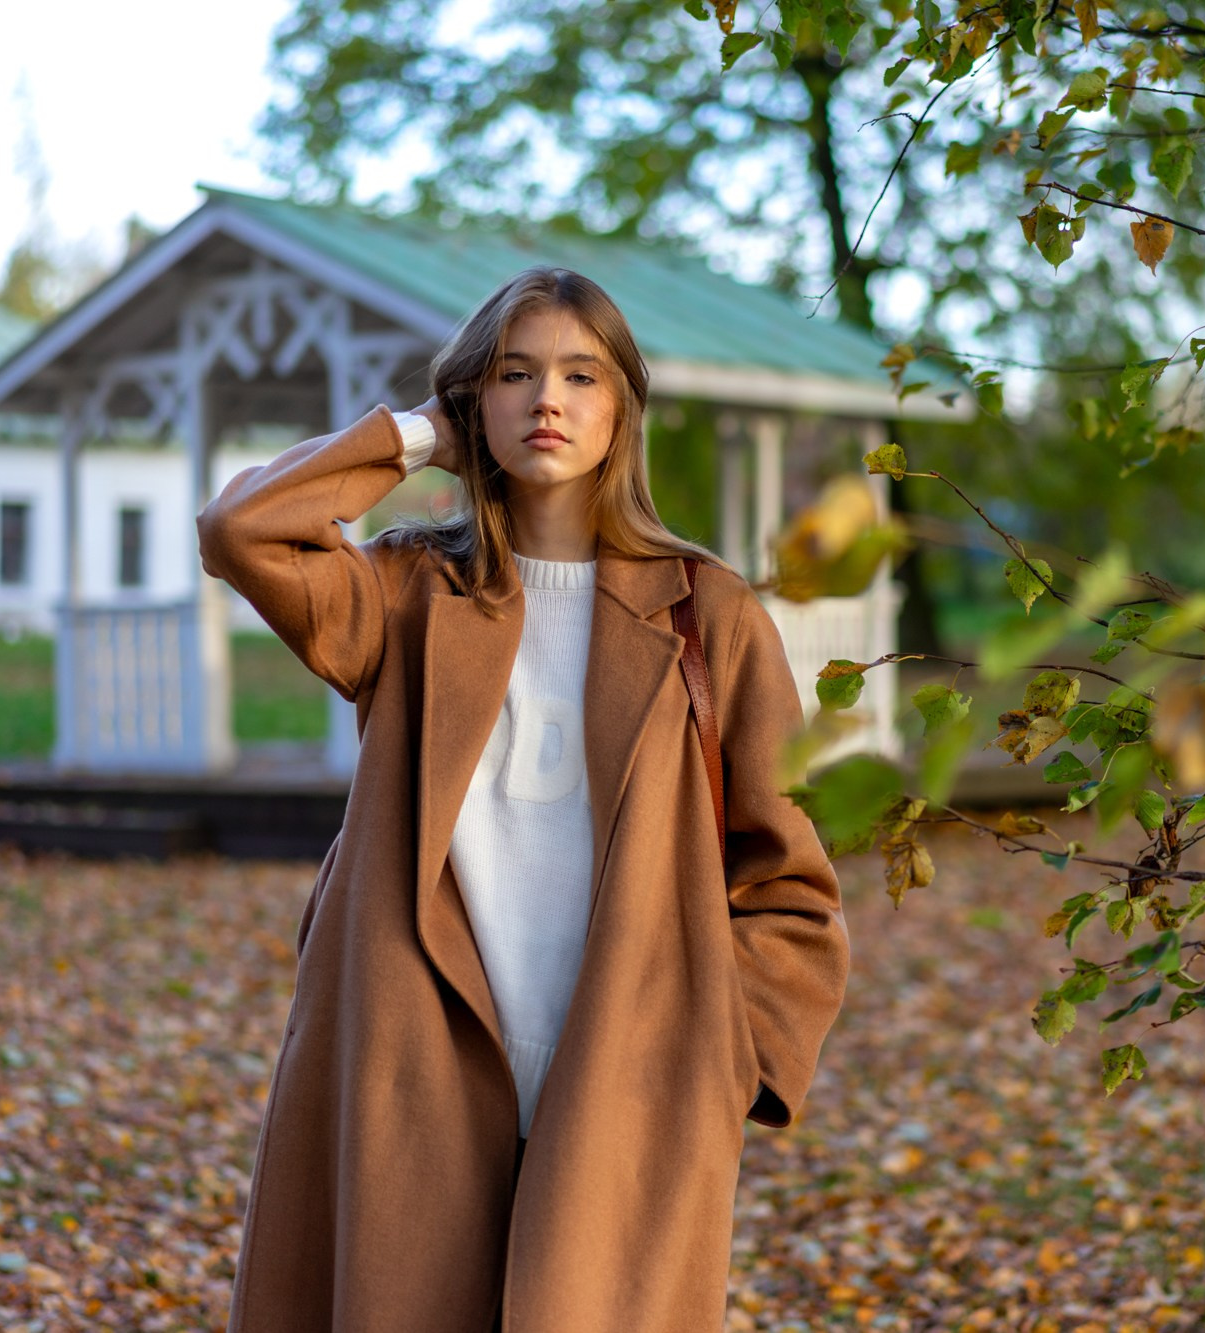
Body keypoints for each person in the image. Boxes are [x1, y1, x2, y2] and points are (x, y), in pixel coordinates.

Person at [196, 266, 851, 1332]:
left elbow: (789, 883)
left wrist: (725, 1057)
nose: (547, 399)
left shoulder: (708, 613)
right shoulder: (407, 592)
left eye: (580, 375)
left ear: (619, 409)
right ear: (474, 401)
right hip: (417, 1059)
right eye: (514, 374)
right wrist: (412, 438)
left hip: (623, 1072)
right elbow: (242, 532)